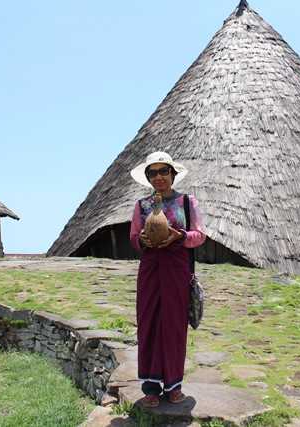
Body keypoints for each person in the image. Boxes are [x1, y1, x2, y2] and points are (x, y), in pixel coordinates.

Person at [129, 151, 206, 408]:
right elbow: (133, 238)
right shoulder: (142, 206)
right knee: (149, 322)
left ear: (173, 174)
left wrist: (180, 236)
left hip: (176, 268)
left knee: (173, 325)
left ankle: (173, 385)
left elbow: (200, 235)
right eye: (153, 173)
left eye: (164, 171)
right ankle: (151, 387)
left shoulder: (187, 202)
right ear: (148, 178)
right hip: (150, 269)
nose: (159, 177)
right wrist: (142, 239)